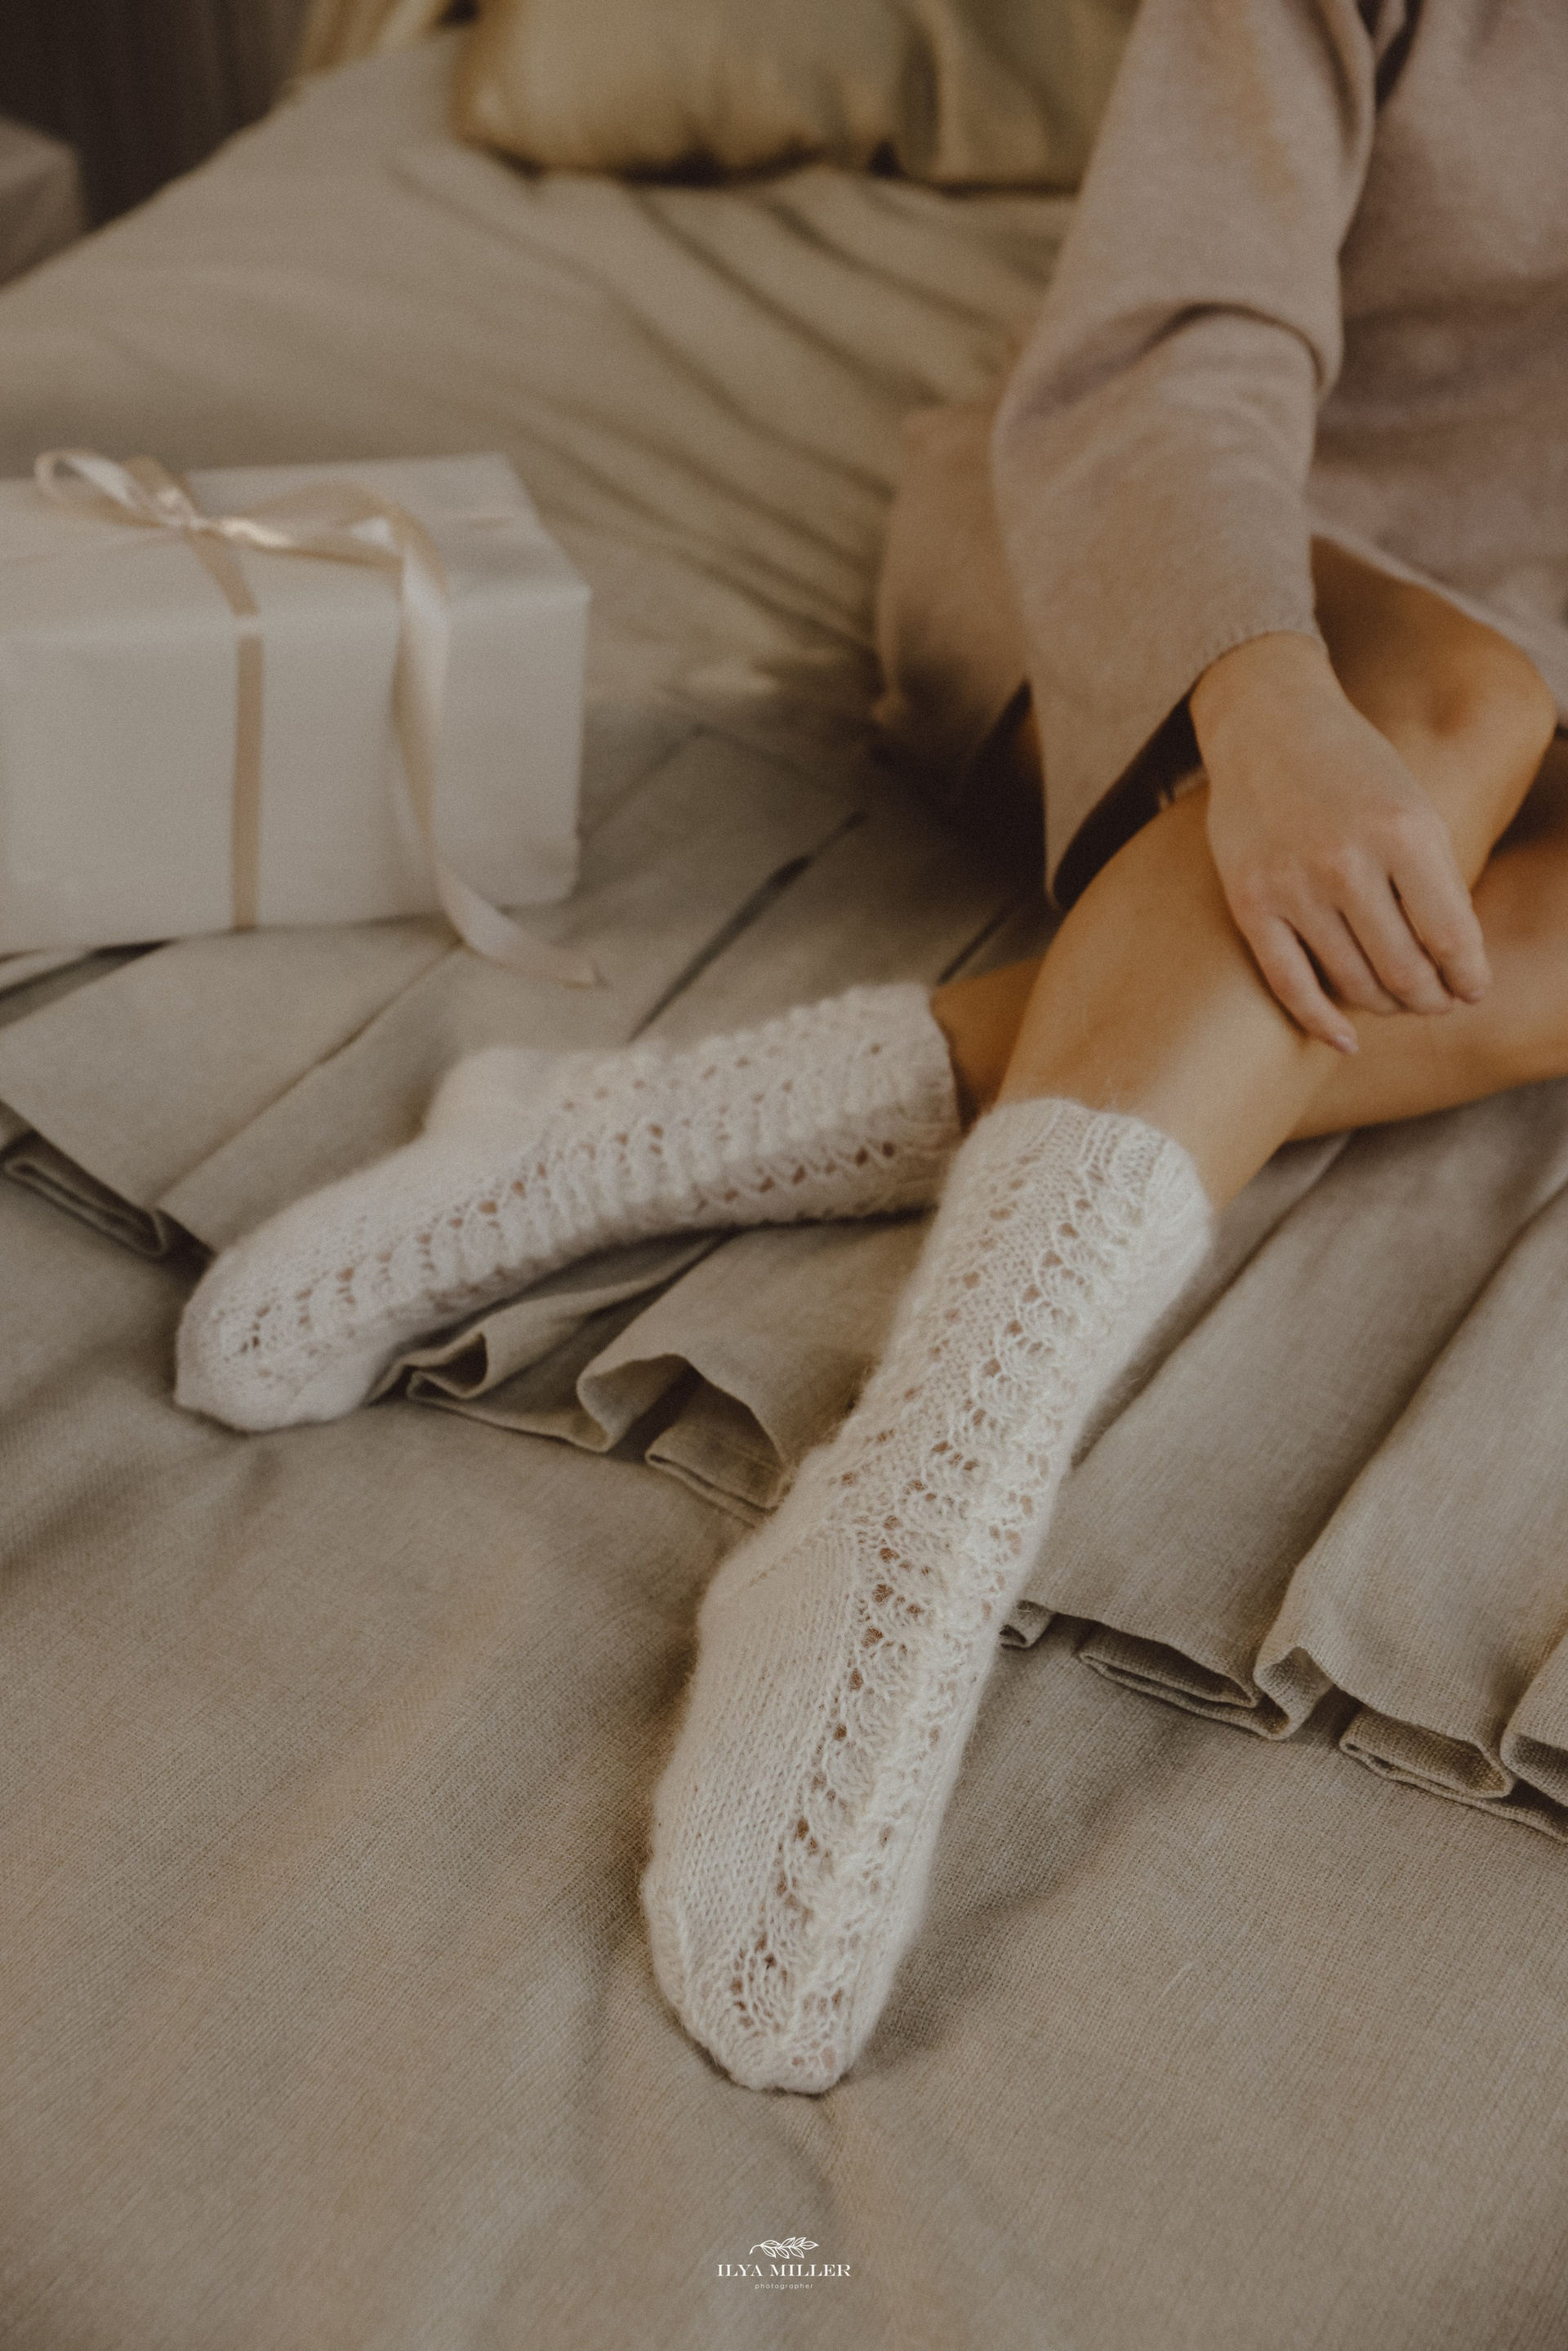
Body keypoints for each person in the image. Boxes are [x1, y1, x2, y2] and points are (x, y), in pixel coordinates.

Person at [176, 0, 1568, 2092]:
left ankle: (638, 1130)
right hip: (1201, 538)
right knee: (1459, 703)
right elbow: (1179, 339)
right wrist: (1272, 707)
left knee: (1506, 723)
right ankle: (931, 1490)